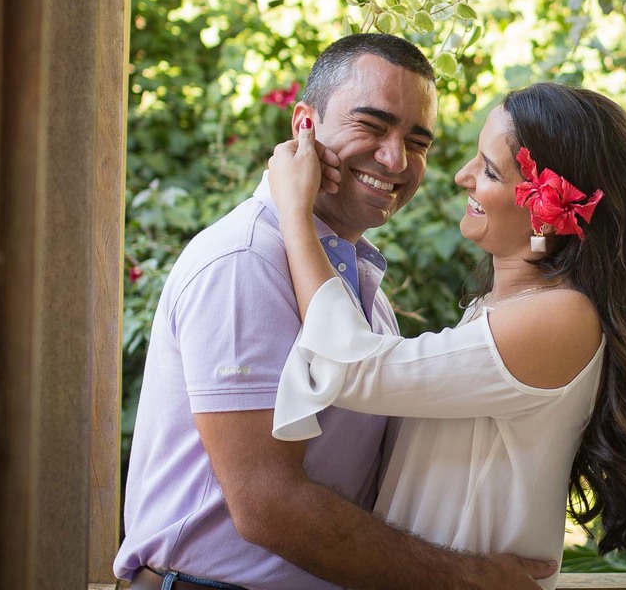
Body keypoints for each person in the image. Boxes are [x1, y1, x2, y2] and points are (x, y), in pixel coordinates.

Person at [115, 33, 556, 590]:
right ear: (304, 125)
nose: (396, 160)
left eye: (416, 141)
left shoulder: (358, 281)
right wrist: (467, 579)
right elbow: (268, 505)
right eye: (371, 126)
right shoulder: (245, 261)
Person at [267, 82, 626, 589]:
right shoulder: (501, 308)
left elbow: (351, 368)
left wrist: (294, 213)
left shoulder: (560, 318)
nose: (463, 177)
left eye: (490, 170)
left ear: (548, 206)